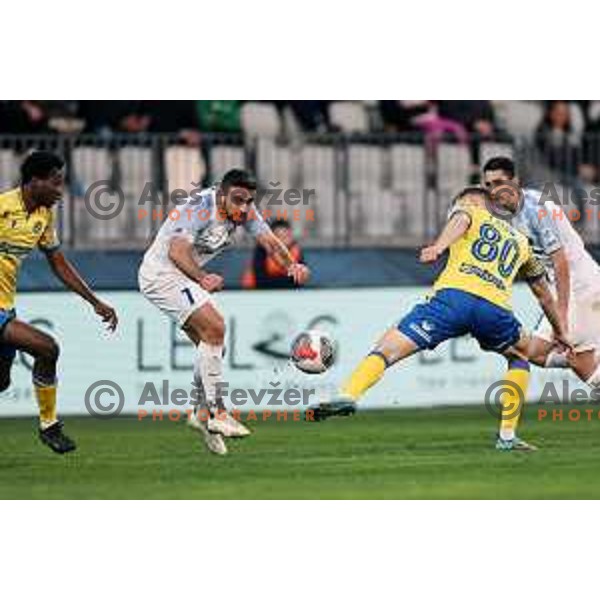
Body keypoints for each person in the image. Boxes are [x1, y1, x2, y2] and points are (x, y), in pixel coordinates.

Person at [310, 187, 570, 451]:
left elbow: (461, 220)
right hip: (495, 310)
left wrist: (438, 247)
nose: (453, 209)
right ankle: (506, 436)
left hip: (453, 300)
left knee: (386, 349)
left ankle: (348, 394)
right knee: (520, 357)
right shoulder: (521, 242)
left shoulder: (470, 209)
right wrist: (560, 331)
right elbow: (544, 295)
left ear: (470, 202)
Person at [138, 169, 310, 455]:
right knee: (216, 328)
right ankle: (218, 413)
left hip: (183, 277)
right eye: (238, 200)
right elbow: (176, 252)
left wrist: (290, 264)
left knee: (212, 344)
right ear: (221, 195)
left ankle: (200, 413)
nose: (244, 208)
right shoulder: (199, 208)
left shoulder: (246, 210)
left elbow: (269, 241)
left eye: (248, 201)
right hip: (162, 274)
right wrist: (202, 278)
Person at [0, 151, 118, 453]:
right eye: (55, 183)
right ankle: (49, 425)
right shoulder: (2, 208)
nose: (60, 191)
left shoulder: (43, 216)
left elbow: (59, 263)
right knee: (47, 347)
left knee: (1, 382)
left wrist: (94, 301)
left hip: (6, 306)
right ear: (34, 181)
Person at [482, 156, 600, 389]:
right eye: (488, 185)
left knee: (569, 352)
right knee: (536, 352)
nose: (493, 191)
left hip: (580, 287)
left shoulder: (536, 208)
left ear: (515, 181)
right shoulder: (511, 216)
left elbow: (561, 263)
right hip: (568, 290)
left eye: (498, 183)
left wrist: (561, 317)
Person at [241, 219, 305, 289]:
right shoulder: (262, 250)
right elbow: (261, 281)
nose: (283, 241)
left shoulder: (296, 251)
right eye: (279, 237)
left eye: (286, 236)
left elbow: (298, 282)